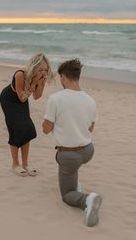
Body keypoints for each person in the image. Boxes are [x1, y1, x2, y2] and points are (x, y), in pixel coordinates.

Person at [42, 58, 102, 227]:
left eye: (60, 78)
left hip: (69, 155)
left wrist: (48, 123)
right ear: (78, 76)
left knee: (67, 194)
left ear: (64, 77)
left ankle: (87, 199)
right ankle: (74, 182)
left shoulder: (56, 99)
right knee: (71, 165)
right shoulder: (90, 100)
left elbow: (46, 129)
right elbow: (90, 128)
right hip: (88, 151)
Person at [0, 53, 54, 177]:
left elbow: (36, 96)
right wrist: (33, 82)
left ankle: (25, 164)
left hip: (22, 99)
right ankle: (15, 164)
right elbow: (23, 98)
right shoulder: (20, 74)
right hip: (9, 100)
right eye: (40, 69)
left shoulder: (41, 77)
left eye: (45, 70)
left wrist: (40, 83)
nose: (43, 72)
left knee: (28, 129)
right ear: (33, 66)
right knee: (15, 130)